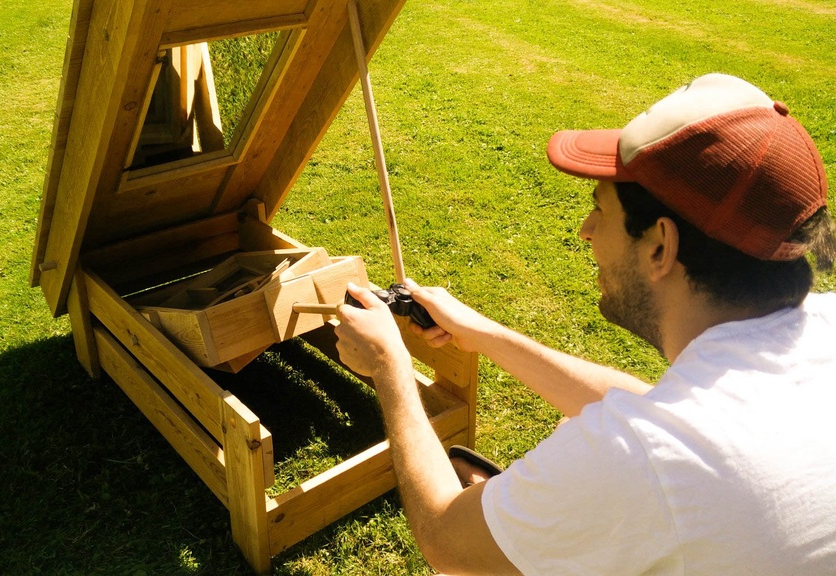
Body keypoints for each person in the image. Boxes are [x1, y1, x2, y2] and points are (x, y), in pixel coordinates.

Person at [335, 73, 836, 575]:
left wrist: (388, 364)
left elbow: (447, 540)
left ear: (660, 246)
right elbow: (648, 408)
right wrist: (486, 334)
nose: (586, 231)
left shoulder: (642, 463)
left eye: (600, 209)